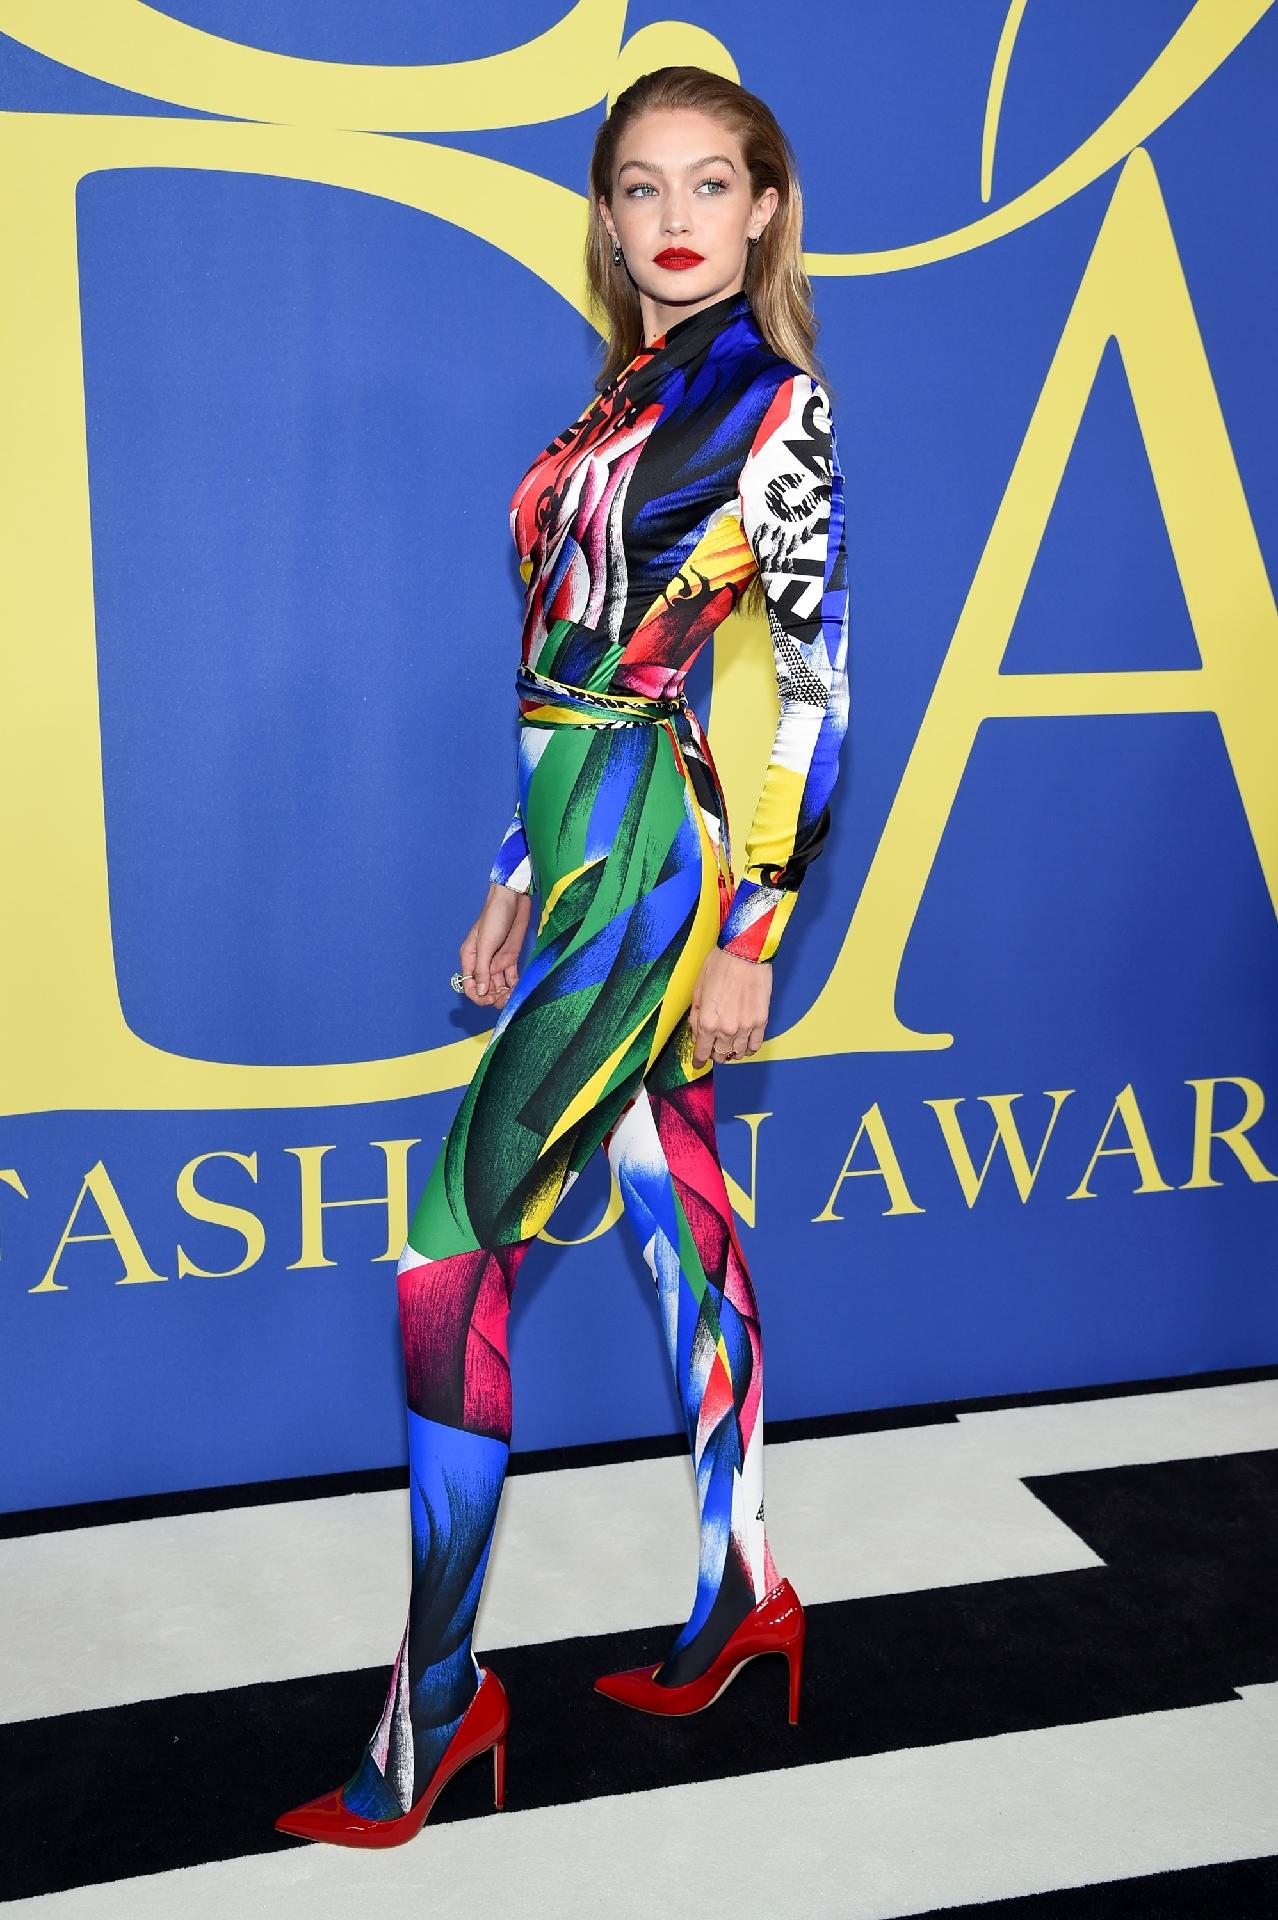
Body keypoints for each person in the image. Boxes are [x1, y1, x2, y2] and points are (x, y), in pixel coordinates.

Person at [274, 62, 850, 1848]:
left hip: (661, 867)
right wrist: (513, 859)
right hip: (584, 839)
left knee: (446, 1250)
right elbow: (576, 660)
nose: (674, 220)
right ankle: (745, 1585)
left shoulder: (778, 406)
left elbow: (815, 692)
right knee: (670, 1192)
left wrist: (751, 928)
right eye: (638, 189)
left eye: (709, 186)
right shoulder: (620, 390)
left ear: (763, 209)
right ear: (605, 217)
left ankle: (439, 1700)